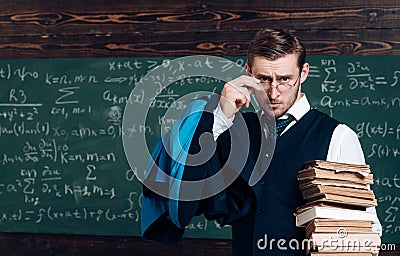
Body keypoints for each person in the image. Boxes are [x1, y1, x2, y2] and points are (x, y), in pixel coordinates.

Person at [141, 28, 382, 256]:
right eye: (264, 79)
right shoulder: (229, 130)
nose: (274, 93)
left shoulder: (338, 136)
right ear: (248, 74)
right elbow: (186, 191)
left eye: (285, 79)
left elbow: (367, 229)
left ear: (304, 73)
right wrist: (220, 117)